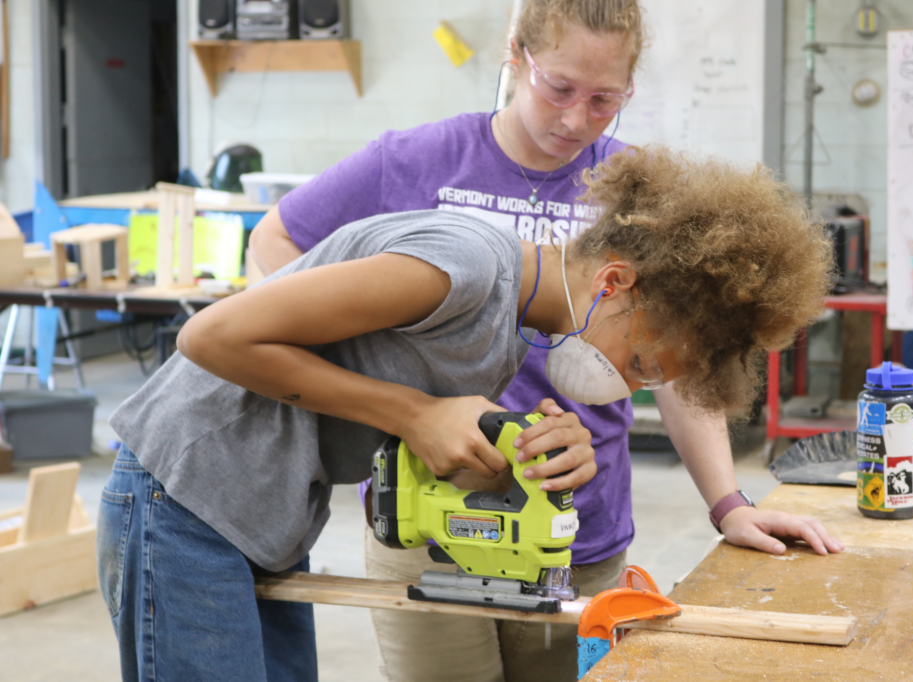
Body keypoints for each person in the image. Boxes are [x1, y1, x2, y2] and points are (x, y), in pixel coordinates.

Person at [249, 2, 843, 680]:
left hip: (574, 524)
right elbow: (276, 245)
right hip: (427, 517)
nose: (574, 119)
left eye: (603, 100)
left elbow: (678, 369)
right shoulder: (412, 161)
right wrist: (387, 392)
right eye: (558, 88)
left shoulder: (640, 198)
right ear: (514, 53)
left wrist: (727, 503)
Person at [99, 145, 833, 681]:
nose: (628, 386)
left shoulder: (511, 329)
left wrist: (531, 453)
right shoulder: (470, 265)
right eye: (642, 364)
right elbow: (212, 335)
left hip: (259, 516)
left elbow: (400, 424)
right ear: (615, 282)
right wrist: (416, 413)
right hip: (180, 495)